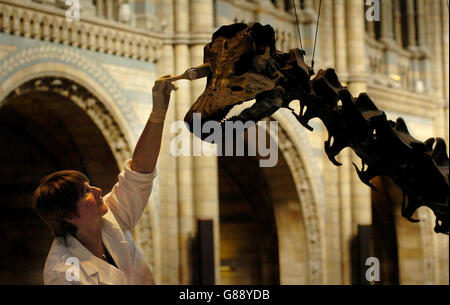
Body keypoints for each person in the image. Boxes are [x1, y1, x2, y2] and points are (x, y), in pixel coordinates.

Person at [32, 76, 177, 285]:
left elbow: (139, 172)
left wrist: (158, 114)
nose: (98, 190)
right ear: (70, 215)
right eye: (85, 192)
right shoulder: (61, 271)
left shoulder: (111, 216)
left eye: (89, 185)